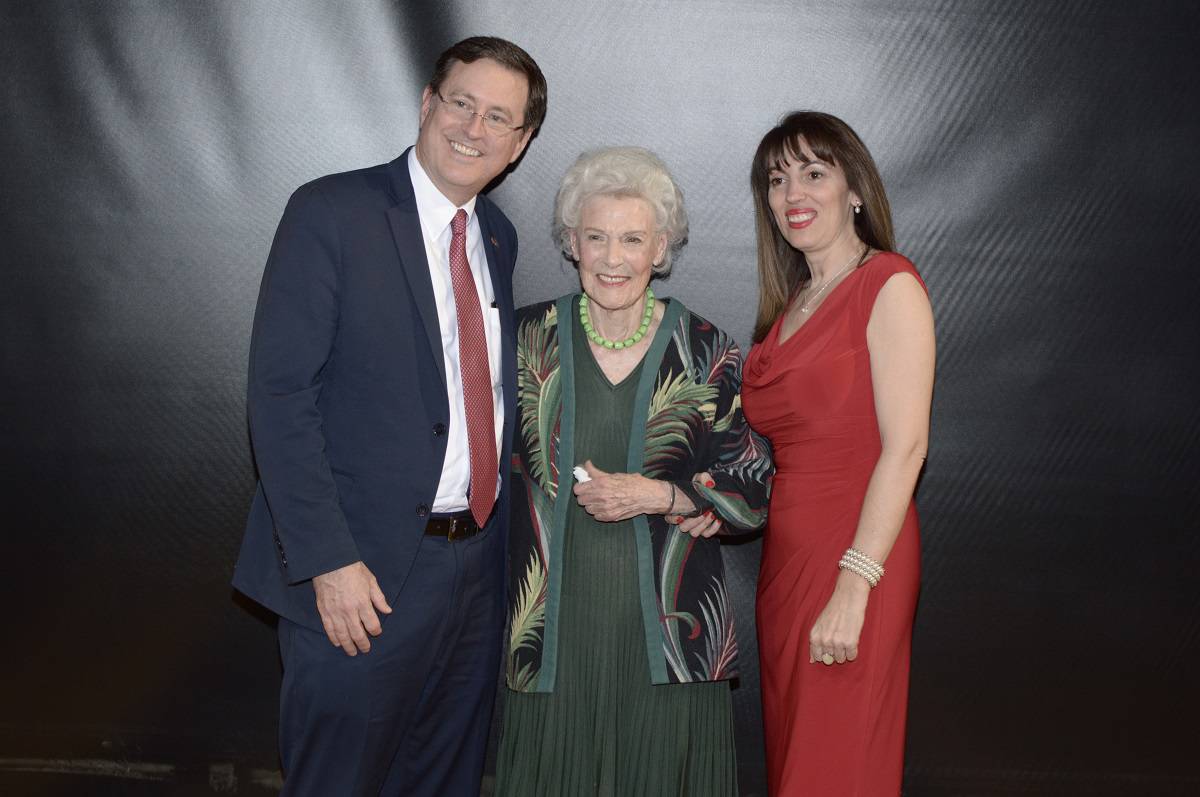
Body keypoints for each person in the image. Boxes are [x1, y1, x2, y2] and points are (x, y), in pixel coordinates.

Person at [231, 37, 547, 796]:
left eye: (498, 117)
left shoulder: (497, 237)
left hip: (474, 570)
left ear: (520, 144)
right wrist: (327, 561)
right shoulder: (331, 212)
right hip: (359, 574)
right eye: (461, 103)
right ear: (427, 104)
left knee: (444, 778)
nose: (473, 128)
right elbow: (280, 397)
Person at [493, 146, 773, 796]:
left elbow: (753, 493)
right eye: (596, 237)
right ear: (571, 242)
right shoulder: (524, 339)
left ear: (662, 247)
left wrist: (663, 493)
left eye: (631, 239)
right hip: (556, 640)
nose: (612, 257)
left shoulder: (707, 350)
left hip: (668, 646)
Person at [741, 111, 935, 795]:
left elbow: (907, 447)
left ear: (854, 189)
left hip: (859, 556)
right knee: (798, 760)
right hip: (786, 565)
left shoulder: (890, 284)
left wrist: (855, 584)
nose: (792, 192)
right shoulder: (789, 305)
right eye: (776, 178)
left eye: (813, 172)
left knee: (835, 766)